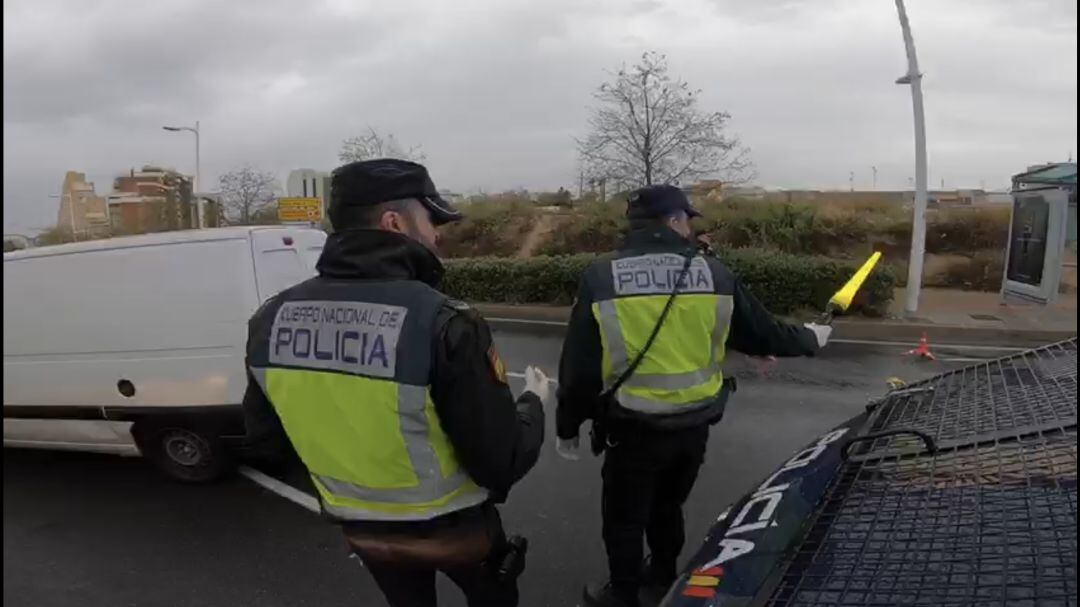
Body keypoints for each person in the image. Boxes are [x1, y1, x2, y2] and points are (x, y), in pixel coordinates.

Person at [242, 158, 549, 607]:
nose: (437, 234)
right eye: (431, 219)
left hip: (366, 535)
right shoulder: (442, 319)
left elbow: (267, 442)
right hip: (455, 530)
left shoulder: (270, 319)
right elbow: (499, 461)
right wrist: (533, 404)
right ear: (394, 221)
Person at [555, 184, 832, 607]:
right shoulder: (713, 274)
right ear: (673, 221)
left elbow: (580, 368)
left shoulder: (601, 276)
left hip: (632, 429)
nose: (690, 228)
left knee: (625, 519)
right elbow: (763, 332)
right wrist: (810, 337)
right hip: (693, 426)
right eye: (688, 219)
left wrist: (568, 425)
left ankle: (624, 596)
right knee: (668, 506)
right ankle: (664, 576)